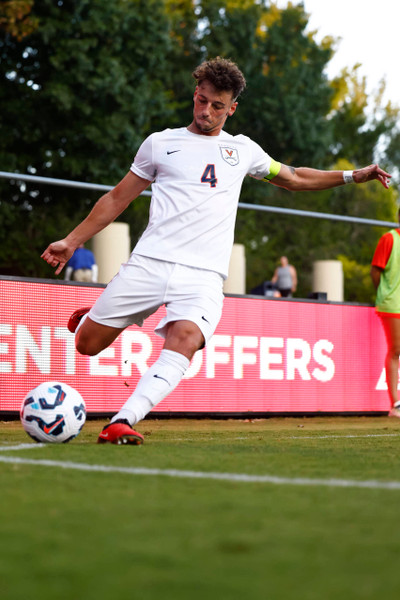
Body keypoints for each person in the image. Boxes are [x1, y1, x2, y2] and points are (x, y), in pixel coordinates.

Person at [41, 57, 391, 445]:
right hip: (150, 263)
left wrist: (351, 175)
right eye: (201, 100)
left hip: (204, 276)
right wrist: (71, 241)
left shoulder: (243, 150)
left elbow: (294, 177)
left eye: (217, 105)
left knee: (187, 338)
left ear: (232, 108)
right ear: (195, 94)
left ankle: (123, 420)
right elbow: (116, 198)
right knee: (87, 345)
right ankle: (93, 318)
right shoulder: (160, 143)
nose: (206, 111)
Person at [371, 211, 400, 417]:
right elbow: (375, 272)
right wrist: (383, 294)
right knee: (396, 350)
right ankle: (395, 404)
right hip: (393, 304)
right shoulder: (389, 238)